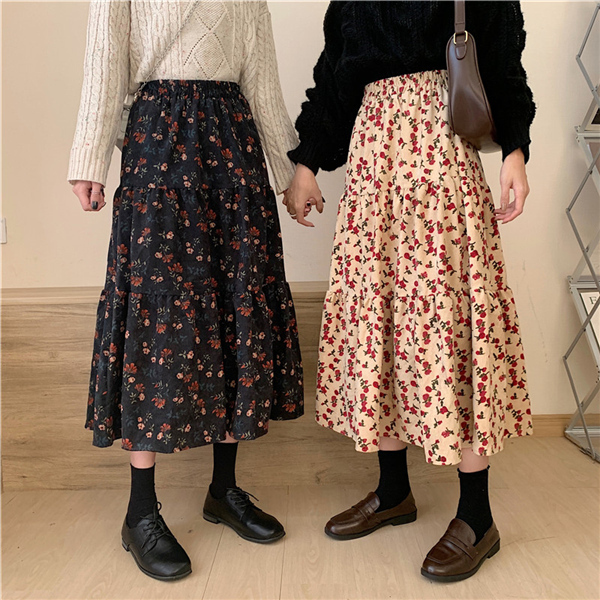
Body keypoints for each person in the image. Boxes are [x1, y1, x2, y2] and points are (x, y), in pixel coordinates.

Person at [284, 0, 535, 582]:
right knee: (383, 323)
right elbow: (334, 79)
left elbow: (502, 63)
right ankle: (394, 491)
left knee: (454, 323)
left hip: (441, 161)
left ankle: (477, 516)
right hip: (373, 168)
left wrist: (516, 151)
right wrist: (307, 164)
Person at [69, 0, 303, 581]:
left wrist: (291, 172)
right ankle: (140, 512)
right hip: (158, 141)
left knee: (232, 310)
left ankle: (223, 489)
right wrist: (89, 158)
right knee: (154, 321)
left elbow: (262, 78)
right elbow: (105, 58)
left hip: (234, 147)